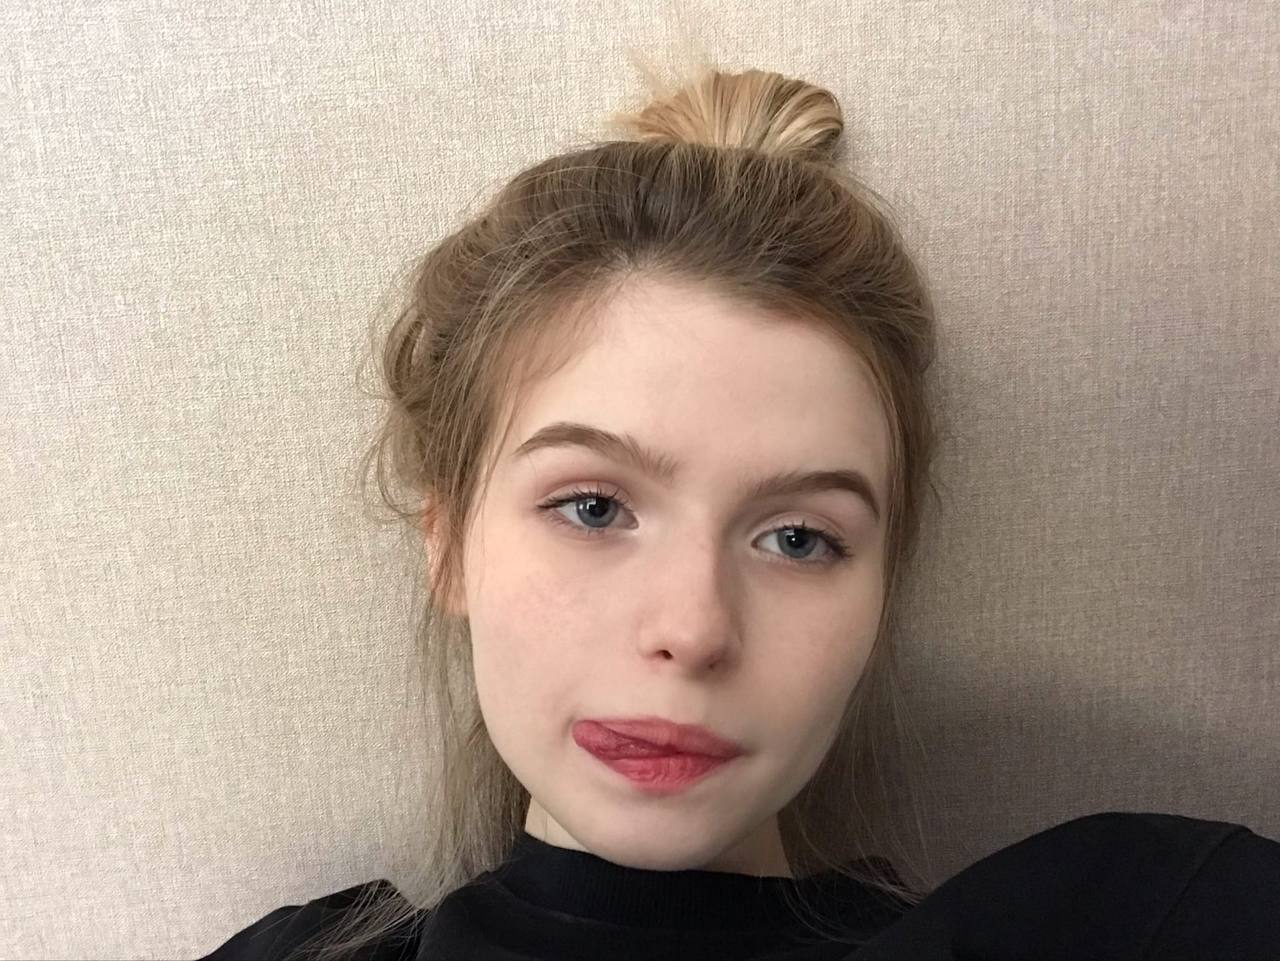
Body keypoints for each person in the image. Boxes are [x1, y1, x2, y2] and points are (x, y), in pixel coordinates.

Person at [197, 61, 1280, 961]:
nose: (694, 627)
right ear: (446, 542)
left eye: (798, 538)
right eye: (591, 506)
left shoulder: (1122, 919)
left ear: (883, 586)